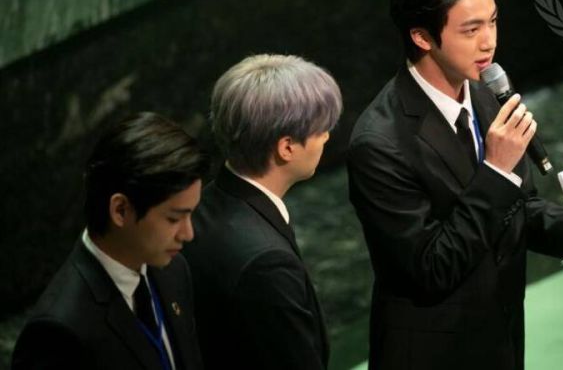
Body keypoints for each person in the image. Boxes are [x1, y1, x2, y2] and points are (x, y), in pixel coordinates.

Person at [347, 0, 563, 370]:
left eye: (493, 21)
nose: (489, 42)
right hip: (432, 353)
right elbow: (430, 269)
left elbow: (518, 208)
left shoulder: (484, 93)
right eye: (470, 29)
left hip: (499, 338)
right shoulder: (378, 143)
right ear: (422, 36)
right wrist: (496, 170)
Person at [12, 112, 209, 370]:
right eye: (174, 219)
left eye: (191, 214)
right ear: (120, 210)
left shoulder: (174, 270)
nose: (188, 234)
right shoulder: (58, 332)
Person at [183, 54, 342, 370]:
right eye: (320, 128)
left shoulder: (200, 207)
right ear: (286, 148)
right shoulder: (266, 264)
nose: (326, 136)